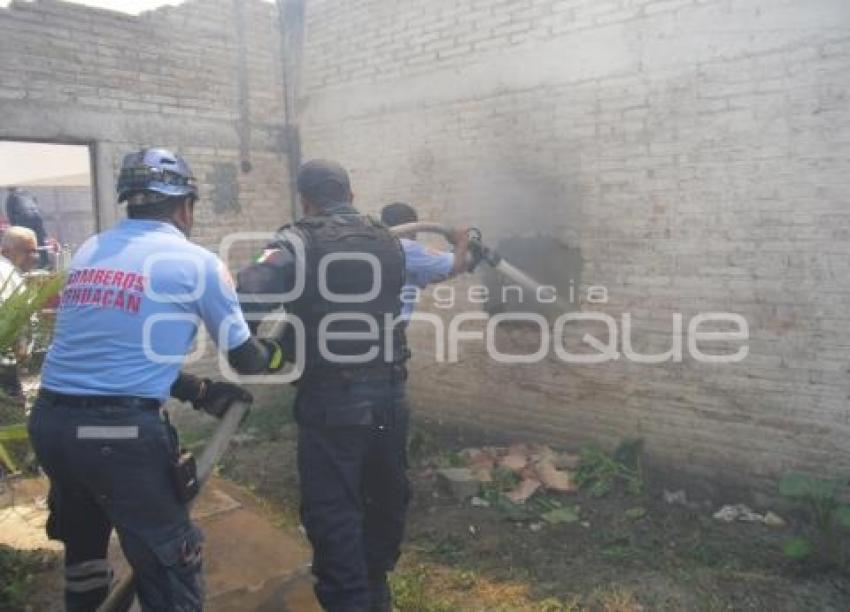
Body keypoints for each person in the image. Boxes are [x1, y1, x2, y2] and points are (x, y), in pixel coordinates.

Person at [28, 148, 283, 612]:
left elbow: (113, 355)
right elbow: (246, 359)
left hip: (51, 426)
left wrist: (199, 391)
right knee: (170, 567)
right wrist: (281, 350)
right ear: (186, 206)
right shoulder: (199, 263)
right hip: (117, 434)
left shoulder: (92, 249)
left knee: (85, 554)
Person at [238, 160, 416, 612]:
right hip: (391, 395)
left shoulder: (296, 240)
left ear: (307, 200)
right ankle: (377, 596)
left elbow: (249, 295)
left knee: (334, 510)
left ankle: (352, 601)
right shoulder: (389, 240)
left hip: (334, 398)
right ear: (351, 195)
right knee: (384, 498)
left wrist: (257, 350)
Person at [379, 202, 471, 321]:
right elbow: (455, 265)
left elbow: (436, 275)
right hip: (391, 331)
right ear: (412, 225)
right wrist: (462, 241)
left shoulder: (379, 245)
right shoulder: (405, 247)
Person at [0, 226, 39, 400]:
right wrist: (22, 350)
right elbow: (15, 319)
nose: (33, 258)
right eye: (27, 251)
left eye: (35, 251)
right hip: (5, 363)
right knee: (14, 421)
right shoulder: (8, 274)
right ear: (6, 251)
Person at [5, 187, 48, 268]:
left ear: (9, 190)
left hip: (24, 217)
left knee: (24, 241)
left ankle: (25, 265)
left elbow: (11, 216)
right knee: (40, 240)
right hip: (37, 216)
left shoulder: (11, 197)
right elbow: (35, 203)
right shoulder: (27, 193)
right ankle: (45, 263)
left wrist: (14, 231)